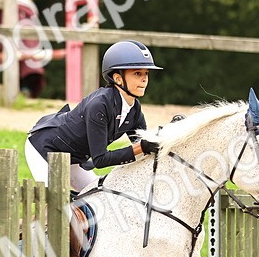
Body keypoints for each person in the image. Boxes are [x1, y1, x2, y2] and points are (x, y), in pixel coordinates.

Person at [25, 40, 162, 193]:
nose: (144, 79)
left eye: (146, 73)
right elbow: (100, 159)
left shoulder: (134, 110)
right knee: (60, 209)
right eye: (137, 73)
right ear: (118, 78)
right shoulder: (99, 105)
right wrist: (141, 147)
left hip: (74, 159)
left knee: (97, 200)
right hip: (44, 149)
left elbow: (145, 145)